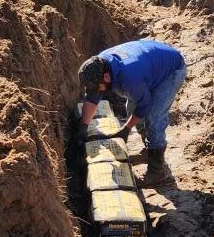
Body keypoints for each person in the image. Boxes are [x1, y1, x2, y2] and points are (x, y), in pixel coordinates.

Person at [78, 39, 187, 186]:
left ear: (106, 77)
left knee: (154, 117)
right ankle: (150, 149)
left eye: (98, 87)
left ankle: (158, 171)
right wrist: (83, 127)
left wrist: (126, 129)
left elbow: (144, 105)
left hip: (170, 71)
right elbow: (92, 98)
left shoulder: (129, 77)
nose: (97, 91)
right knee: (131, 109)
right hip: (148, 65)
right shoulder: (99, 66)